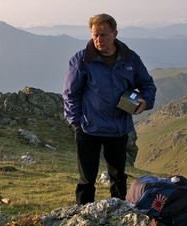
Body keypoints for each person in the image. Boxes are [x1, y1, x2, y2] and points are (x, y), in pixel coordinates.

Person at [63, 13, 157, 205]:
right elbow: (70, 93)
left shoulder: (130, 59)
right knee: (86, 180)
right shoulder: (81, 60)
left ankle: (120, 214)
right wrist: (76, 123)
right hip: (89, 129)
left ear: (115, 33)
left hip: (117, 129)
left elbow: (148, 84)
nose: (98, 39)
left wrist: (144, 102)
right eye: (95, 35)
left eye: (103, 35)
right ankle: (84, 218)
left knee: (118, 178)